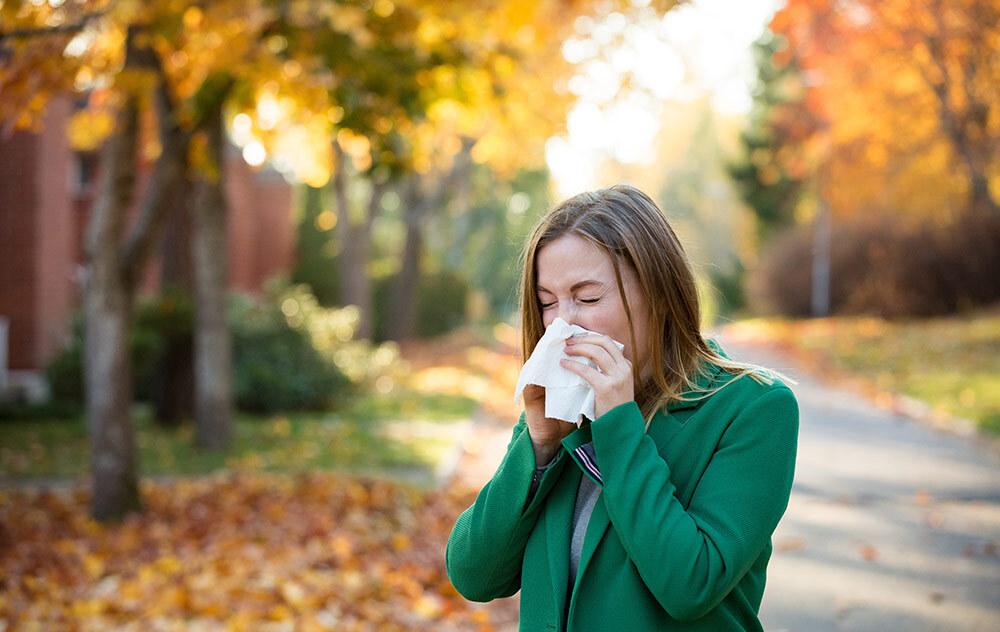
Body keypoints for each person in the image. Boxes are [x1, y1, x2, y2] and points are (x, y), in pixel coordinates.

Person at [446, 184, 799, 631]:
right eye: (547, 302)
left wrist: (618, 424)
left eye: (588, 298)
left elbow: (690, 586)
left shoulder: (753, 409)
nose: (561, 324)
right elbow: (474, 575)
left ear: (659, 291)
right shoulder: (561, 410)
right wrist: (537, 447)